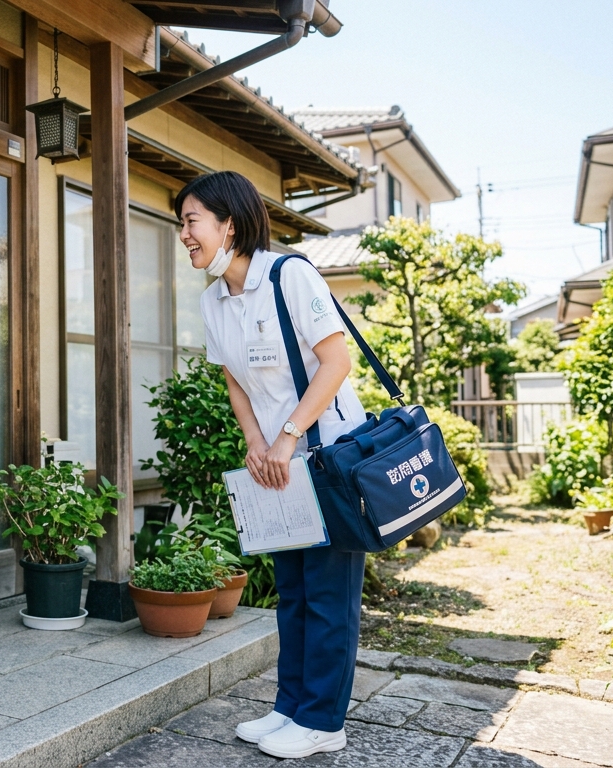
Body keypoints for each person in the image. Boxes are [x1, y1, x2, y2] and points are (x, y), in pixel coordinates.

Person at [178, 171, 368, 759]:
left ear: (228, 224)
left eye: (191, 221)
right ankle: (290, 708)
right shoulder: (214, 299)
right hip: (278, 463)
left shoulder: (290, 275)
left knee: (327, 594)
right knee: (292, 589)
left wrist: (285, 437)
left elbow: (337, 361)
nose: (183, 234)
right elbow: (234, 380)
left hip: (327, 455)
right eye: (180, 223)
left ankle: (323, 722)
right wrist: (254, 442)